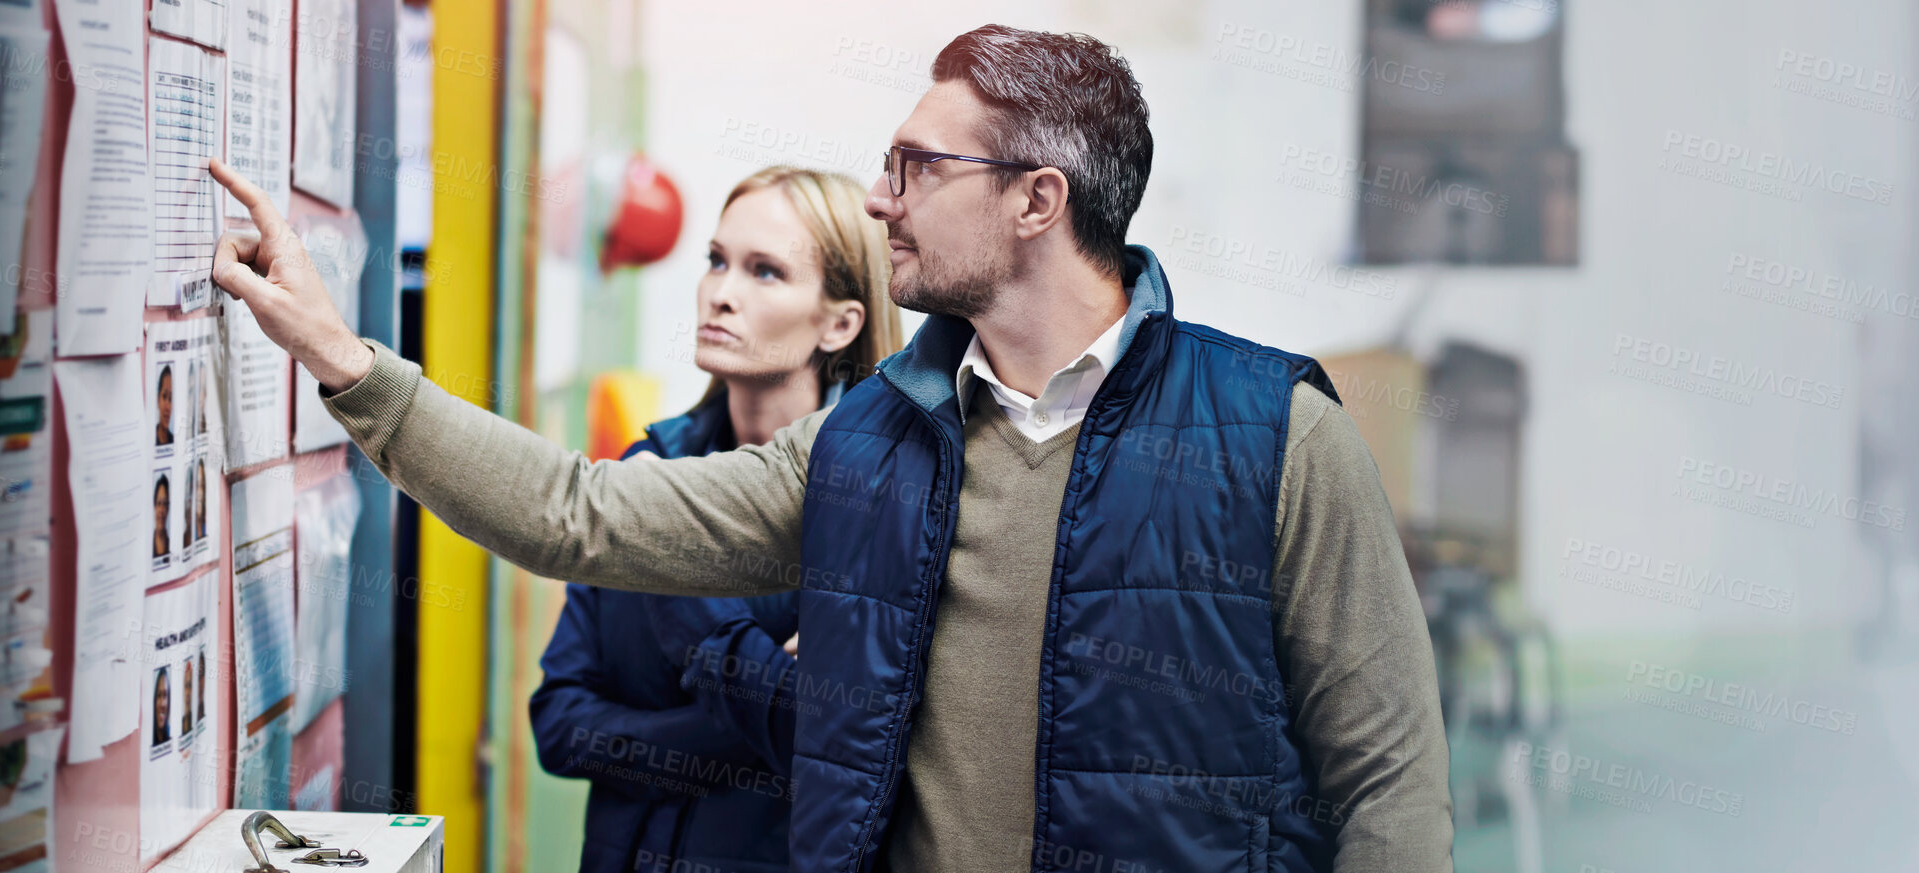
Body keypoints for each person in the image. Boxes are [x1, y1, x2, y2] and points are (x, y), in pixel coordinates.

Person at [207, 24, 1451, 873]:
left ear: (1036, 201)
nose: (878, 197)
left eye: (917, 165)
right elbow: (581, 514)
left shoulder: (1272, 432)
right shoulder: (870, 445)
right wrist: (343, 359)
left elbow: (1387, 780)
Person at [529, 165, 903, 873]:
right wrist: (753, 718)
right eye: (715, 261)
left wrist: (667, 570)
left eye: (765, 272)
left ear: (839, 322)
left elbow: (834, 741)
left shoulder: (873, 508)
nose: (721, 294)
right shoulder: (648, 469)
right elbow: (558, 723)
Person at [151, 474, 171, 561]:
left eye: (165, 504)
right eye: (159, 503)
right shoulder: (146, 547)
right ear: (154, 506)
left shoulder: (172, 546)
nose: (161, 510)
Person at [155, 365, 175, 446]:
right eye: (164, 396)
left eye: (170, 399)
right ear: (158, 400)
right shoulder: (150, 438)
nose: (167, 407)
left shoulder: (174, 440)